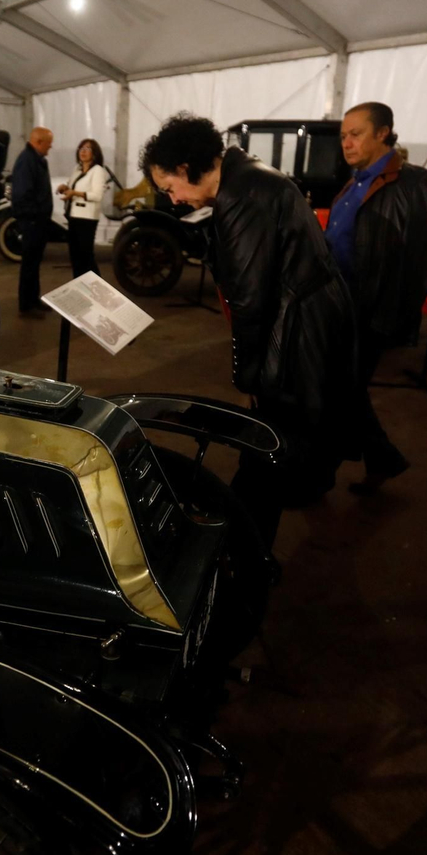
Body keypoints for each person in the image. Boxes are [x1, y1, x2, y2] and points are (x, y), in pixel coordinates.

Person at [143, 113, 358, 547]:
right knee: (290, 436)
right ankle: (285, 503)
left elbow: (250, 301)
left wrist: (247, 377)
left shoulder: (243, 196)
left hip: (300, 329)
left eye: (170, 187)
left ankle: (245, 552)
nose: (172, 199)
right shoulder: (249, 177)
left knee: (265, 443)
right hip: (311, 315)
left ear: (185, 168)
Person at [328, 101, 427, 494]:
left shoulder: (412, 183)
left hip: (368, 311)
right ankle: (381, 461)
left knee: (341, 390)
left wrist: (390, 317)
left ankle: (326, 472)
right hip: (339, 305)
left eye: (355, 133)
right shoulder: (356, 179)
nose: (347, 142)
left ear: (383, 133)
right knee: (342, 389)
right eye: (343, 135)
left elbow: (422, 259)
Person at [11, 126, 55, 318]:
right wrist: (36, 216)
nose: (50, 148)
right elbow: (22, 194)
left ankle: (33, 299)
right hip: (32, 222)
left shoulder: (36, 159)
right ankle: (26, 304)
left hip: (38, 221)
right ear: (39, 142)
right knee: (29, 263)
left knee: (34, 263)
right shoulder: (27, 161)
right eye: (49, 144)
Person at [57, 138, 110, 280]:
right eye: (81, 149)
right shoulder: (77, 169)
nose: (83, 152)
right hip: (73, 216)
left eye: (87, 149)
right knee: (75, 257)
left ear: (95, 153)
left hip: (87, 218)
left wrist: (75, 193)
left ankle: (96, 287)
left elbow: (97, 195)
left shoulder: (98, 171)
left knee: (86, 256)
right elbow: (73, 186)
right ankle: (79, 286)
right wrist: (65, 188)